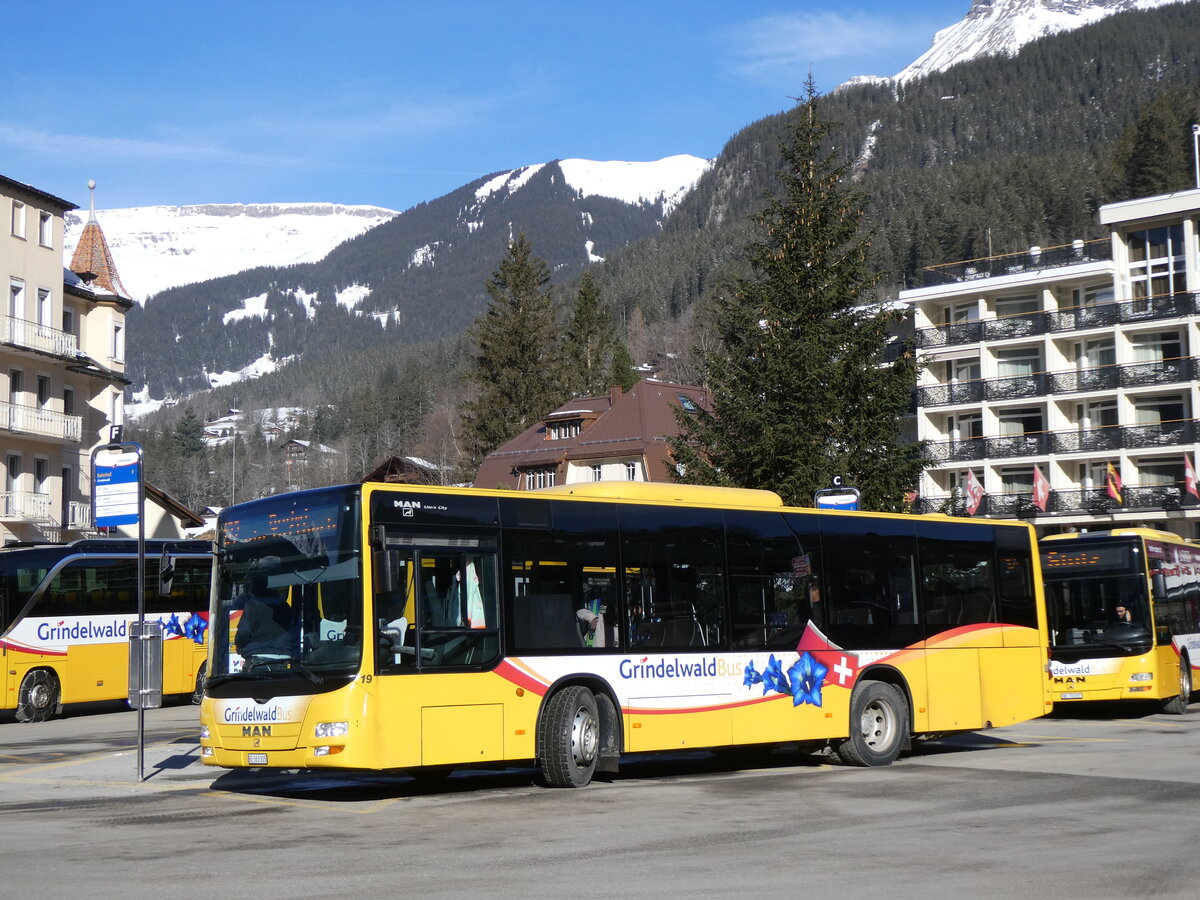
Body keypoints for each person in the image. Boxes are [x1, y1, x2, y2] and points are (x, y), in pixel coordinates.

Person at [235, 573, 293, 669]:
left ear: (255, 588)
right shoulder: (285, 606)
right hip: (285, 657)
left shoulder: (253, 605)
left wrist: (239, 644)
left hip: (259, 658)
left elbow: (244, 632)